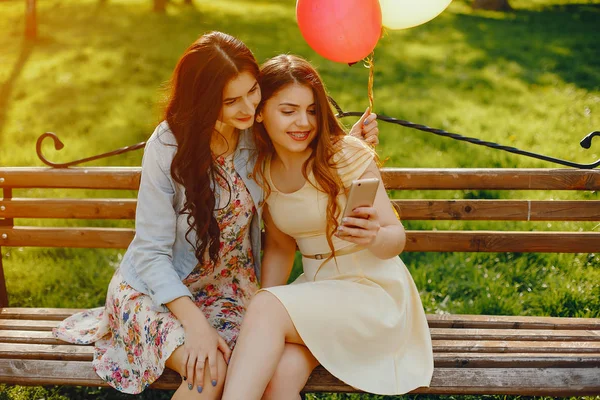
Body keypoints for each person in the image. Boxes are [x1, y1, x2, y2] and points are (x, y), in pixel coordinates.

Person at [52, 32, 378, 400]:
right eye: (230, 101)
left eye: (253, 91)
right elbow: (150, 251)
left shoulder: (256, 136)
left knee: (244, 366)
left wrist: (344, 145)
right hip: (156, 290)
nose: (247, 108)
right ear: (203, 100)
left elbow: (301, 149)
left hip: (228, 288)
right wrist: (195, 325)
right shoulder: (168, 146)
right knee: (208, 368)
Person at [221, 55, 434, 400]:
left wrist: (375, 236)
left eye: (312, 110)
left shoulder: (345, 155)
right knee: (280, 377)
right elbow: (279, 246)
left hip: (372, 295)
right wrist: (263, 313)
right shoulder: (263, 169)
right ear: (260, 112)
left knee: (267, 308)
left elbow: (395, 239)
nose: (303, 122)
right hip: (320, 294)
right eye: (288, 111)